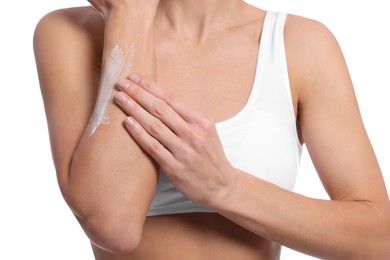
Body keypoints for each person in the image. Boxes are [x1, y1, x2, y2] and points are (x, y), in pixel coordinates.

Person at [33, 0, 390, 259]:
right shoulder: (72, 33)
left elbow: (378, 239)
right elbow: (113, 226)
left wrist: (224, 187)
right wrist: (131, 13)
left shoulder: (300, 44)